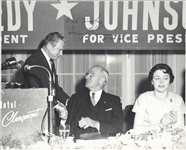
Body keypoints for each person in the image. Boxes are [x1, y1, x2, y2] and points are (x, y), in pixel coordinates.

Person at [23, 32, 69, 128]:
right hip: (37, 115)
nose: (61, 54)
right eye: (59, 50)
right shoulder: (33, 62)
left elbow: (54, 88)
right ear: (49, 46)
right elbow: (38, 91)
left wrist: (70, 102)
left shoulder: (49, 62)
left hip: (47, 112)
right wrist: (57, 105)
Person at [66, 65, 123, 139]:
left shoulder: (114, 100)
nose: (86, 77)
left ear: (101, 80)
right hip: (79, 144)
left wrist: (96, 124)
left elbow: (118, 126)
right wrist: (63, 116)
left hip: (103, 144)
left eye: (91, 75)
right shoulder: (75, 99)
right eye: (87, 74)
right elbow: (67, 124)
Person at [132, 63, 185, 131]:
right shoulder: (143, 98)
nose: (161, 81)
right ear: (152, 81)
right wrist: (160, 125)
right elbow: (136, 128)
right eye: (157, 78)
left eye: (165, 78)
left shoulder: (177, 99)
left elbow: (181, 129)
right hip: (147, 138)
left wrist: (173, 125)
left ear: (170, 80)